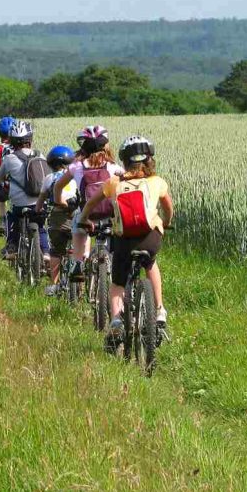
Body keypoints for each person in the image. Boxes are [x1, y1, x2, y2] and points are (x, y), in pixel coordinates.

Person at [81, 135, 173, 340]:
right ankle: (159, 310)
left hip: (123, 239)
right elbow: (168, 207)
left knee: (118, 282)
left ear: (124, 161)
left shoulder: (113, 183)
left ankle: (115, 322)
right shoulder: (156, 181)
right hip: (150, 237)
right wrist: (165, 223)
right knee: (150, 264)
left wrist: (85, 220)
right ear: (149, 160)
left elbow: (89, 205)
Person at [51, 125, 124, 283]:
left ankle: (78, 263)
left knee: (78, 225)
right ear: (105, 146)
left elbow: (58, 187)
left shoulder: (77, 166)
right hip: (110, 216)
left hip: (87, 216)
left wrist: (60, 202)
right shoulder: (113, 167)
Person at [0, 120, 50, 261]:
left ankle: (12, 245)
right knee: (41, 226)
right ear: (30, 139)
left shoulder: (9, 158)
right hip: (39, 202)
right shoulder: (40, 155)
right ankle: (46, 253)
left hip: (19, 204)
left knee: (12, 216)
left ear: (12, 140)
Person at [35, 145, 77, 295]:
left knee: (56, 252)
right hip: (75, 216)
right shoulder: (75, 176)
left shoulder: (48, 178)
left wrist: (37, 211)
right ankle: (80, 280)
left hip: (57, 218)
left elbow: (40, 202)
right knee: (77, 248)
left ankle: (54, 284)